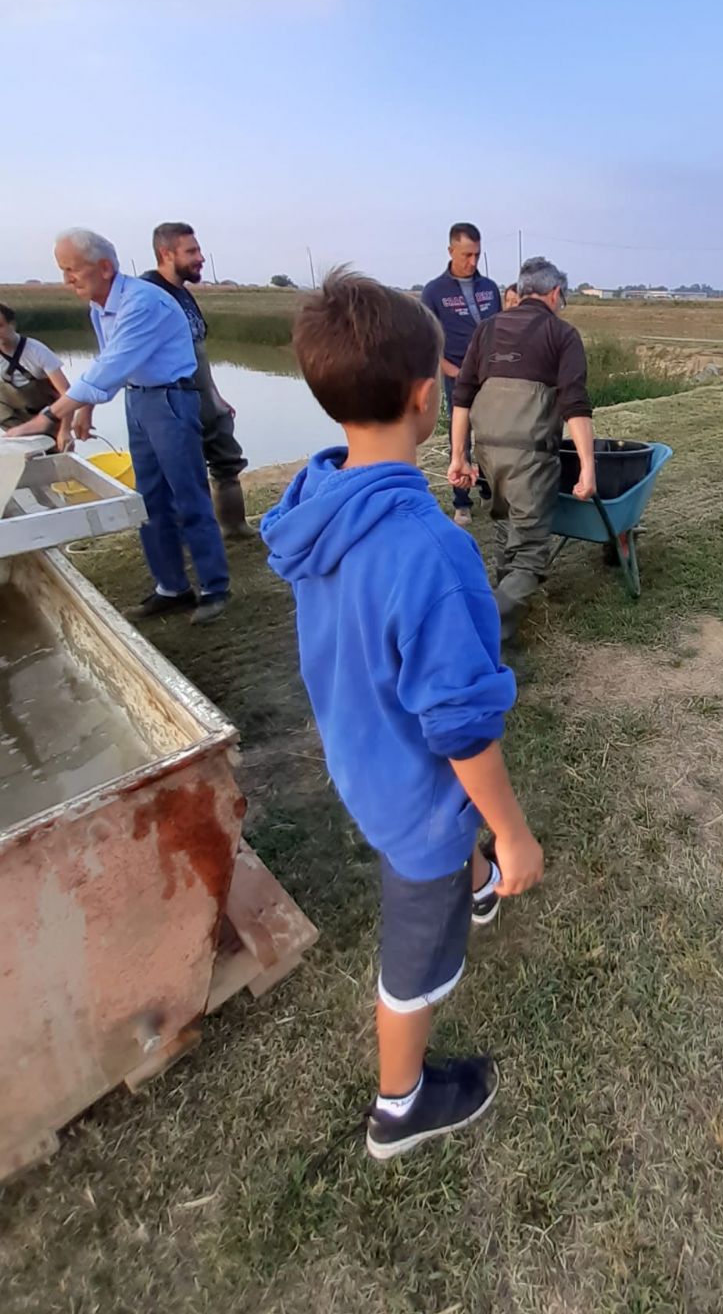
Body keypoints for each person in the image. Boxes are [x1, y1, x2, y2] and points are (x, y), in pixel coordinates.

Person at [261, 270, 543, 1160]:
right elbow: (460, 725)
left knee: (445, 849)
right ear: (428, 398)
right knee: (413, 964)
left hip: (361, 754)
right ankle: (400, 1105)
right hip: (414, 803)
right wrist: (512, 834)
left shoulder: (318, 504)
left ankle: (474, 881)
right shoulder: (431, 548)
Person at [4, 230, 230, 625]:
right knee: (150, 498)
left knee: (188, 495)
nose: (67, 280)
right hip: (139, 399)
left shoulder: (143, 303)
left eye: (72, 270)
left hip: (170, 400)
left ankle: (215, 588)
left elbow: (111, 366)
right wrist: (85, 410)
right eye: (63, 270)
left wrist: (49, 416)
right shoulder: (102, 306)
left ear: (105, 267)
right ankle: (172, 588)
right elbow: (109, 361)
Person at [450, 256, 596, 644]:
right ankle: (482, 634)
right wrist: (587, 467)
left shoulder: (487, 329)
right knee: (531, 551)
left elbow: (462, 397)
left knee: (504, 525)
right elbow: (574, 404)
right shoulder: (562, 334)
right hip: (530, 453)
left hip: (487, 450)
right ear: (556, 293)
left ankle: (503, 618)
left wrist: (459, 456)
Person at [143, 223, 252, 538]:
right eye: (191, 251)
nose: (201, 258)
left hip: (204, 399)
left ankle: (234, 527)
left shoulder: (183, 293)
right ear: (166, 254)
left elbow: (198, 353)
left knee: (227, 463)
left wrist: (215, 396)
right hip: (174, 404)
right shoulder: (148, 295)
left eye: (198, 250)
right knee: (182, 478)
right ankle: (189, 539)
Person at [421, 224, 501, 527]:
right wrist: (451, 370)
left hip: (490, 376)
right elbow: (427, 341)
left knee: (491, 437)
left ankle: (489, 490)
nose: (472, 261)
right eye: (466, 255)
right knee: (460, 441)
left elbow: (500, 330)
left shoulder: (489, 288)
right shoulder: (434, 292)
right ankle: (462, 502)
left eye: (477, 254)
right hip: (457, 376)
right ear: (451, 251)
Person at [0, 304, 70, 433]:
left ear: (12, 325)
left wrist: (65, 431)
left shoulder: (37, 350)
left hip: (48, 417)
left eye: (0, 326)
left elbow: (67, 393)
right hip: (15, 417)